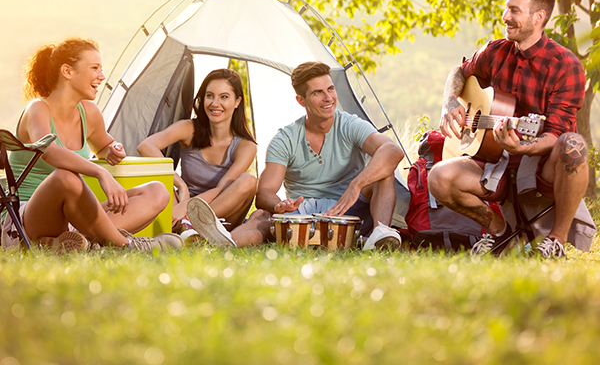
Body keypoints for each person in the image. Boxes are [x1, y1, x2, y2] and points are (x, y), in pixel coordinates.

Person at [428, 0, 590, 258]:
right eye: (506, 9)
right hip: (494, 160)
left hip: (542, 165)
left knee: (573, 144)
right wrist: (450, 101)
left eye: (514, 11)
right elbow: (460, 72)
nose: (505, 17)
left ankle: (556, 242)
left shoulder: (567, 66)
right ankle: (501, 234)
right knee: (439, 178)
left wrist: (520, 148)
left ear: (538, 17)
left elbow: (554, 134)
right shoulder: (495, 51)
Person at [1, 37, 184, 252]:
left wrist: (112, 150)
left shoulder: (88, 112)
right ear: (68, 72)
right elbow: (49, 151)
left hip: (72, 219)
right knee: (65, 176)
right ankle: (127, 245)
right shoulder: (38, 109)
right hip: (25, 218)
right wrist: (100, 172)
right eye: (95, 68)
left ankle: (74, 243)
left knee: (158, 191)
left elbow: (103, 145)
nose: (102, 76)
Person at [256, 61, 404, 250]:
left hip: (351, 211)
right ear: (301, 101)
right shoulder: (285, 139)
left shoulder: (349, 124)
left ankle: (379, 234)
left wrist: (355, 185)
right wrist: (279, 205)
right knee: (262, 218)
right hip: (305, 216)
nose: (328, 98)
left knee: (384, 171)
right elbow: (264, 192)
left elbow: (393, 150)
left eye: (331, 89)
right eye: (318, 93)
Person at [137, 68, 270, 248]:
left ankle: (192, 227)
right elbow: (146, 146)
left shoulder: (246, 145)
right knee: (159, 179)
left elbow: (224, 187)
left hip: (221, 212)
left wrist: (189, 209)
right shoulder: (189, 128)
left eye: (224, 97)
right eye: (210, 96)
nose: (215, 103)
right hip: (181, 205)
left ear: (237, 101)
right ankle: (191, 232)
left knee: (248, 180)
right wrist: (181, 185)